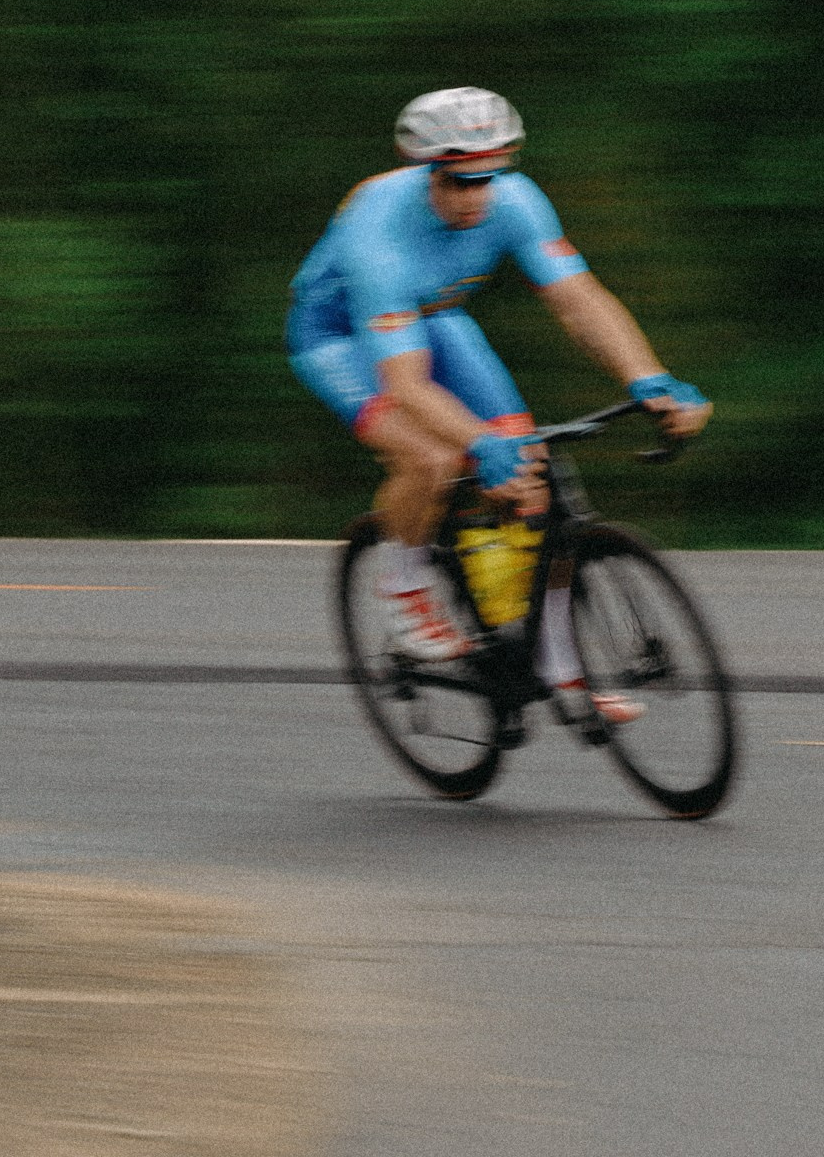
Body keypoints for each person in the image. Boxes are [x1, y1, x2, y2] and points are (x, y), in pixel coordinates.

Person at [286, 86, 711, 722]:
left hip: (434, 317)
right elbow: (405, 385)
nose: (477, 197)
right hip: (340, 337)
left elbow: (578, 300)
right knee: (431, 459)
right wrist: (479, 443)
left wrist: (649, 378)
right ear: (427, 171)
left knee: (530, 475)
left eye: (489, 178)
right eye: (460, 183)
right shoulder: (379, 236)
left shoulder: (515, 201)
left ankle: (560, 671)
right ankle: (403, 584)